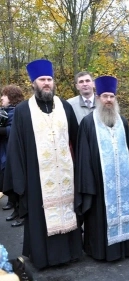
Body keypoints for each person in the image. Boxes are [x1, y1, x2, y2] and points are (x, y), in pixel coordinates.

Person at [3, 59, 82, 269]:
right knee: (40, 218)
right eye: (42, 80)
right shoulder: (22, 111)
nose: (46, 83)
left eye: (49, 79)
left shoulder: (65, 106)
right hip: (37, 179)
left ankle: (71, 253)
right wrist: (20, 183)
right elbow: (15, 149)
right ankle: (43, 258)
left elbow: (77, 140)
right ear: (33, 83)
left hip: (66, 176)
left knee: (69, 211)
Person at [75, 76, 129, 261]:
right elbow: (83, 158)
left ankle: (127, 248)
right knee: (100, 217)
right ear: (98, 98)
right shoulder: (88, 123)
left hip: (123, 183)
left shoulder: (122, 121)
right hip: (99, 184)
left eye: (111, 96)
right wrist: (89, 185)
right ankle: (102, 251)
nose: (108, 100)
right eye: (105, 96)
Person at [0, 85, 24, 227]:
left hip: (13, 152)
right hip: (4, 150)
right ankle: (15, 209)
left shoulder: (18, 112)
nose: (2, 98)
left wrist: (2, 130)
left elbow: (14, 130)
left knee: (16, 183)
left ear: (11, 97)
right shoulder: (5, 111)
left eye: (4, 95)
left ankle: (22, 213)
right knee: (8, 182)